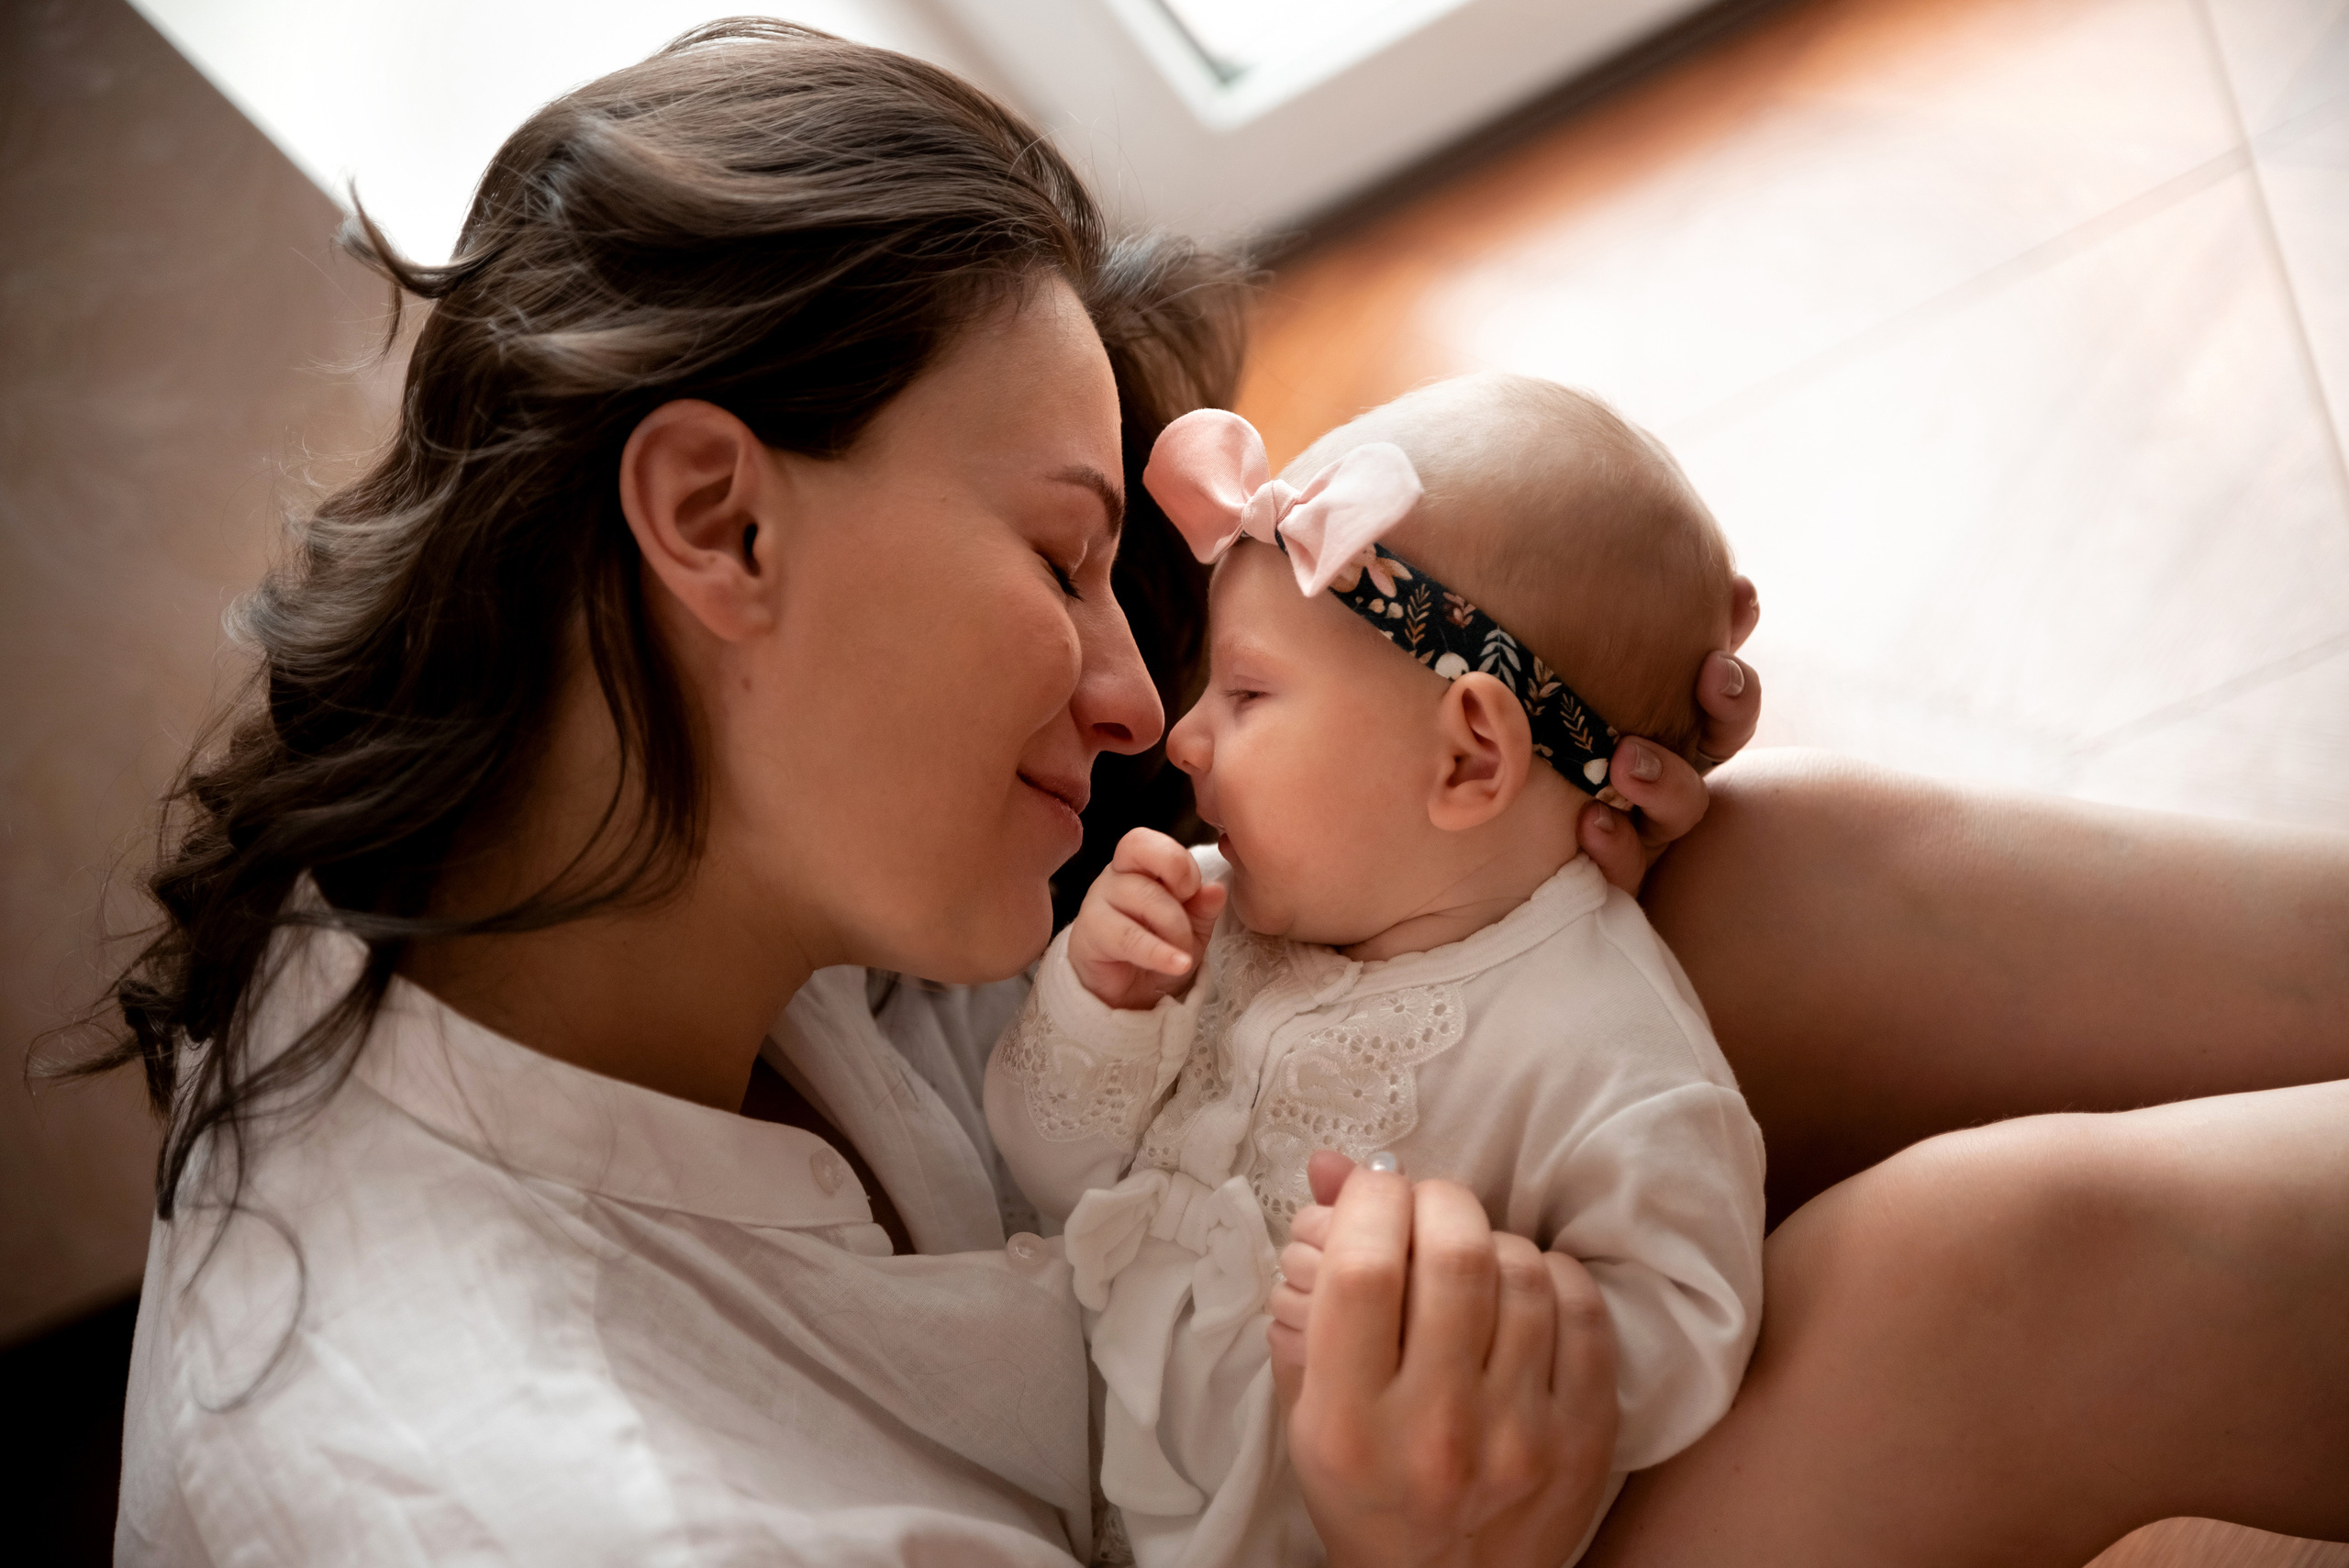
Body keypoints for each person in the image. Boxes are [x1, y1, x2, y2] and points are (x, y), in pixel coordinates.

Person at [83, 18, 2348, 1568]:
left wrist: (1521, 703)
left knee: (1712, 886)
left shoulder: (538, 800)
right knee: (1993, 1293)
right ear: (716, 518)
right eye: (1060, 560)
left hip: (1190, 1354)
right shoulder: (591, 1508)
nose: (1127, 692)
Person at [984, 383, 1767, 1566]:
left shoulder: (1606, 1046)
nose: (1184, 737)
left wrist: (1443, 1325)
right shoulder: (1213, 917)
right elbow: (1047, 1172)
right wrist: (1099, 1007)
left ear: (1469, 757)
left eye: (1246, 694)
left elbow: (1694, 1317)